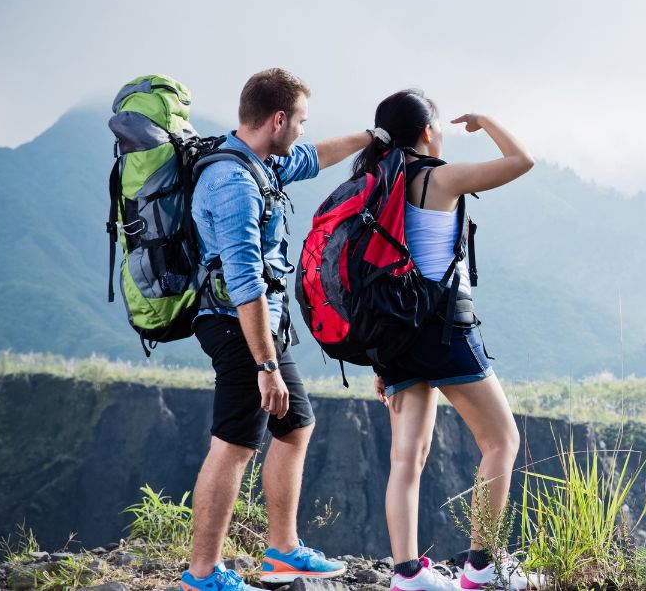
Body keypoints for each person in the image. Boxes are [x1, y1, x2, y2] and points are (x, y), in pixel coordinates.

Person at [180, 68, 377, 591]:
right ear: (279, 119)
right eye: (302, 122)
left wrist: (372, 139)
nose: (304, 133)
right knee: (235, 444)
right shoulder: (233, 182)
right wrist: (266, 365)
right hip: (237, 325)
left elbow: (313, 159)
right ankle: (202, 574)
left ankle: (283, 552)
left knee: (294, 424)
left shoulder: (260, 162)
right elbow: (243, 280)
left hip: (260, 323)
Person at [353, 90, 540, 591]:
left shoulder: (373, 184)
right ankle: (484, 566)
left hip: (393, 337)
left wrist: (377, 358)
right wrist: (486, 119)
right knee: (501, 440)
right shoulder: (440, 176)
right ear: (427, 132)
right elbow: (522, 160)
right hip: (445, 333)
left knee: (405, 458)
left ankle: (407, 573)